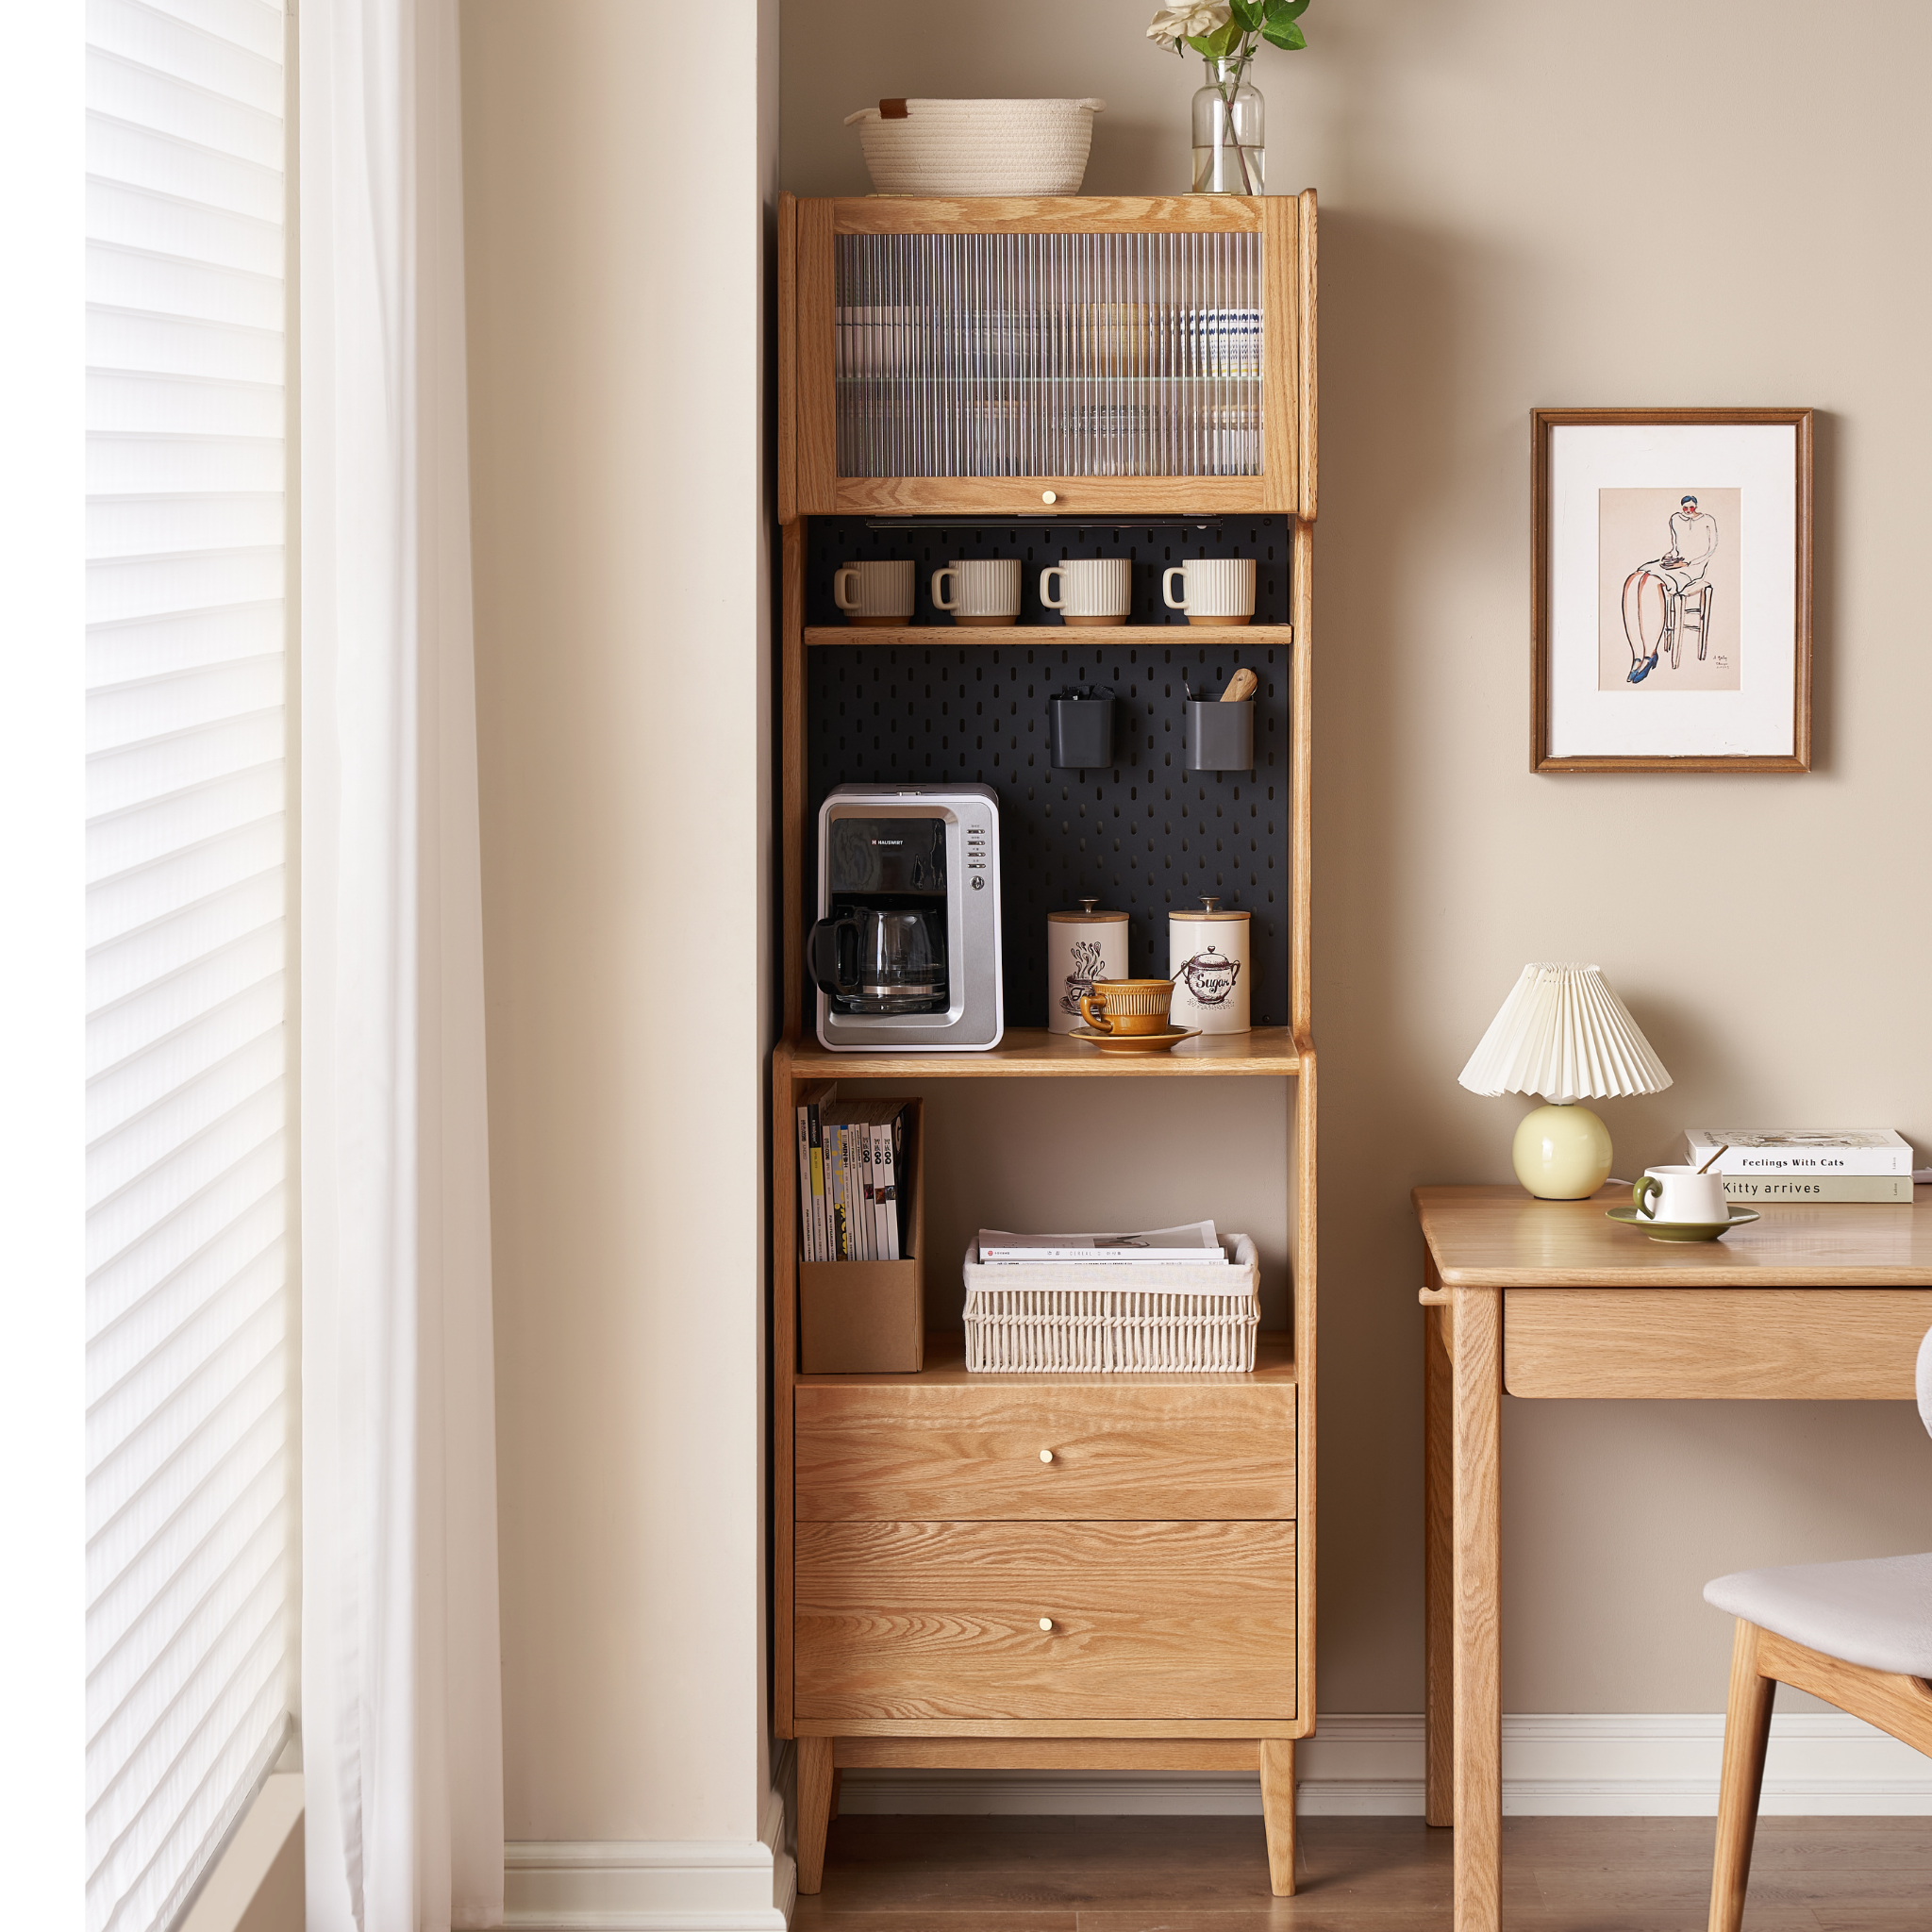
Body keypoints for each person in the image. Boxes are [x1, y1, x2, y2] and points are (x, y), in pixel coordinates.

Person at [1621, 494, 1718, 683]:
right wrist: (1669, 557)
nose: (1688, 511)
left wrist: (1689, 563)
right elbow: (1676, 547)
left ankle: (1650, 654)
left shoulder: (1707, 521)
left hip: (1693, 567)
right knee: (1634, 579)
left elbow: (1710, 549)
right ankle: (1637, 655)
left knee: (1651, 582)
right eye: (1685, 508)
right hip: (1676, 563)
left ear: (1695, 506)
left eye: (1691, 508)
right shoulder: (1675, 519)